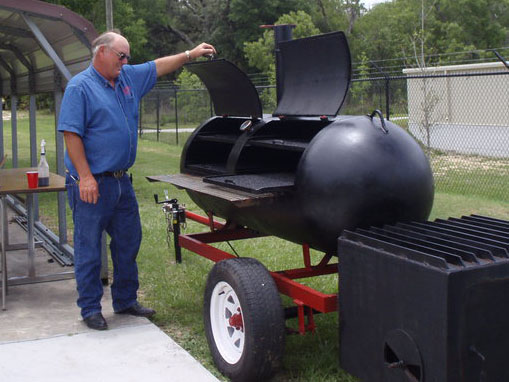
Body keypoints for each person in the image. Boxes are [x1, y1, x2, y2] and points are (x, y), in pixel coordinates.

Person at [58, 31, 216, 330]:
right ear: (101, 52)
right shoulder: (81, 87)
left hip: (121, 182)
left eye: (127, 56)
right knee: (89, 247)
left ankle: (125, 300)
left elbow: (157, 66)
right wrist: (86, 177)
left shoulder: (127, 78)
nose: (126, 61)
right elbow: (71, 134)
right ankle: (90, 308)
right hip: (93, 183)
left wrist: (190, 55)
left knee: (129, 242)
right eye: (121, 55)